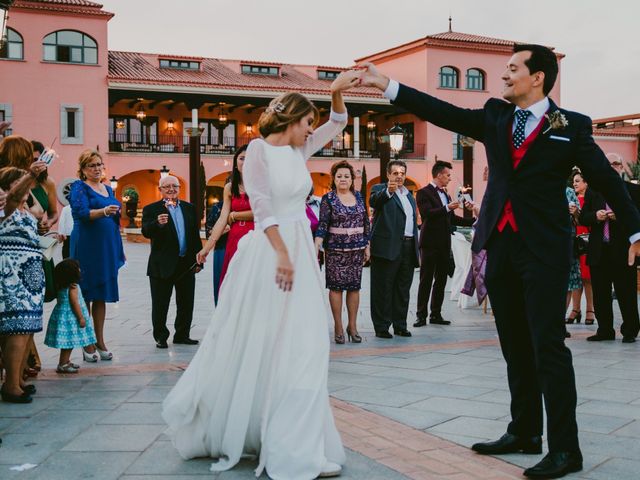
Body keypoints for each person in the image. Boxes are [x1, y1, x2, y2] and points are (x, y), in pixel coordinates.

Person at [361, 44, 640, 479]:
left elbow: (607, 179)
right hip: (501, 245)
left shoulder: (572, 126)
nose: (504, 76)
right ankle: (525, 430)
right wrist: (388, 86)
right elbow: (442, 110)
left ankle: (567, 449)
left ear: (538, 78)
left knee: (548, 343)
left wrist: (637, 230)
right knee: (512, 341)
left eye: (513, 69)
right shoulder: (495, 115)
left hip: (545, 248)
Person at [162, 71, 359, 480]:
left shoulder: (300, 151)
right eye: (308, 121)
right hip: (272, 254)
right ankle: (284, 444)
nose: (312, 129)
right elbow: (263, 206)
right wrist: (282, 253)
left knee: (306, 344)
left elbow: (339, 122)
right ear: (291, 119)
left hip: (300, 251)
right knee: (268, 345)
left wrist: (337, 91)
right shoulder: (258, 151)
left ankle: (299, 440)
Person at [70, 150, 125, 362]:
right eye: (92, 165)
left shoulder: (108, 188)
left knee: (101, 294)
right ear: (83, 169)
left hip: (107, 245)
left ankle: (100, 340)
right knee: (86, 293)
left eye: (99, 164)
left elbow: (116, 215)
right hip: (87, 244)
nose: (97, 168)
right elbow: (81, 213)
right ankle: (87, 342)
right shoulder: (79, 187)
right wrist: (103, 212)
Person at [579, 159, 640, 343]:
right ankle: (604, 330)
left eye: (615, 163)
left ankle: (630, 330)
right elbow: (583, 218)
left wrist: (620, 216)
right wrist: (595, 216)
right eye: (608, 163)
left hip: (622, 250)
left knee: (626, 292)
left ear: (621, 167)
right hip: (600, 249)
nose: (612, 167)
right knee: (600, 293)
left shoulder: (633, 190)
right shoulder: (594, 191)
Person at [0, 164, 46, 403]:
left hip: (30, 277)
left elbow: (40, 211)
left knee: (27, 329)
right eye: (24, 185)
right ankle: (10, 386)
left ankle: (17, 379)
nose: (29, 189)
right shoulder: (5, 207)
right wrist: (30, 175)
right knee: (16, 328)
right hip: (13, 275)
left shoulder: (24, 210)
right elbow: (15, 196)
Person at [141, 175, 202, 348]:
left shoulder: (190, 208)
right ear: (160, 190)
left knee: (186, 302)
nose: (171, 189)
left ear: (179, 188)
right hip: (162, 264)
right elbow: (145, 231)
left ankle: (182, 334)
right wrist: (157, 224)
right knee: (160, 303)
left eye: (174, 186)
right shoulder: (151, 209)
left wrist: (198, 261)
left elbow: (194, 236)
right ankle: (160, 336)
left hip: (186, 263)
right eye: (166, 186)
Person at [314, 160, 371, 344]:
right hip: (335, 251)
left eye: (346, 176)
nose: (343, 179)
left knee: (354, 288)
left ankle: (352, 326)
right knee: (336, 288)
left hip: (356, 250)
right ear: (334, 179)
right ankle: (338, 326)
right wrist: (316, 246)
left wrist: (367, 245)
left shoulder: (359, 197)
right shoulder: (328, 199)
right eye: (339, 176)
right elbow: (322, 224)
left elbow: (366, 223)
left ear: (352, 179)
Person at [414, 160, 476, 327]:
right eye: (448, 175)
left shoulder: (446, 194)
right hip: (428, 243)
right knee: (425, 280)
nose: (449, 178)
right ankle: (421, 315)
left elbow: (451, 218)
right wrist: (447, 207)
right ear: (439, 175)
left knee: (441, 280)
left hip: (444, 243)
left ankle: (436, 314)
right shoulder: (422, 193)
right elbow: (427, 214)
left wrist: (475, 221)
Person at [368, 160, 419, 339]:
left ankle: (400, 325)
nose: (399, 176)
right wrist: (388, 191)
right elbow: (374, 201)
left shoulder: (409, 196)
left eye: (402, 173)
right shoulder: (379, 189)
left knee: (402, 289)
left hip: (408, 246)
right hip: (386, 247)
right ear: (388, 174)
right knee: (383, 288)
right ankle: (382, 326)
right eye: (395, 172)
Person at [197, 145, 253, 286]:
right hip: (234, 239)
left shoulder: (263, 185)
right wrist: (206, 248)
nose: (245, 162)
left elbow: (264, 213)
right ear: (235, 163)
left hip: (256, 238)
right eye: (242, 158)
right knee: (234, 285)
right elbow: (222, 219)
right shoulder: (229, 187)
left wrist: (234, 215)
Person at [44, 259, 97, 373]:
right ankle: (63, 363)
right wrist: (81, 318)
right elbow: (74, 303)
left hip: (63, 316)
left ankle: (65, 361)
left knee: (68, 342)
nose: (80, 269)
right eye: (77, 268)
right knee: (69, 342)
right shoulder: (73, 287)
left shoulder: (61, 286)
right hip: (71, 318)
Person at [569, 172, 595, 325]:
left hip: (586, 239)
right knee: (575, 277)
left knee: (587, 277)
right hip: (573, 239)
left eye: (578, 181)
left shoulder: (591, 199)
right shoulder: (571, 199)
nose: (575, 184)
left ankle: (590, 309)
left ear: (586, 182)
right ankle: (575, 308)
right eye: (574, 181)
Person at [564, 185, 583, 338]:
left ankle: (558, 323)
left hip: (566, 240)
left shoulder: (569, 192)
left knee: (566, 282)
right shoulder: (541, 186)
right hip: (545, 241)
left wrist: (576, 213)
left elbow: (578, 220)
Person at [204, 197, 229, 305]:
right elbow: (209, 232)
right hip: (222, 249)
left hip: (244, 248)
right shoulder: (218, 207)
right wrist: (223, 229)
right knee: (221, 284)